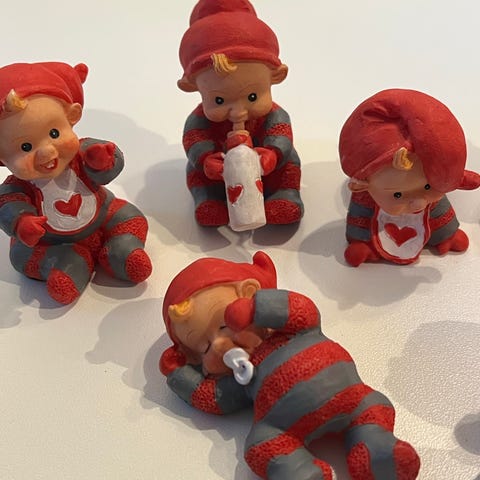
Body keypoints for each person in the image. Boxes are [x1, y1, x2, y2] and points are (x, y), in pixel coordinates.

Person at [160, 252, 420, 480]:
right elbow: (217, 398)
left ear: (250, 295)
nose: (218, 346)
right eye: (204, 348)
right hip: (283, 425)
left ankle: (376, 448)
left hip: (352, 397)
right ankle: (297, 471)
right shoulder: (243, 379)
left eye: (224, 325)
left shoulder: (295, 329)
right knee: (260, 445)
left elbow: (302, 308)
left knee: (370, 408)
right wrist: (179, 375)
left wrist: (258, 308)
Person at [0, 61, 152, 304]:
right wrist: (21, 222)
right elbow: (7, 204)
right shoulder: (16, 187)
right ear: (2, 157)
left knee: (130, 216)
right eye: (26, 147)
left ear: (72, 117)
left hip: (101, 215)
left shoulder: (83, 152)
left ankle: (122, 250)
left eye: (54, 134)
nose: (47, 152)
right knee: (21, 255)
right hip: (50, 241)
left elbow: (109, 163)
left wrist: (102, 161)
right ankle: (65, 265)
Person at [177, 0, 303, 227]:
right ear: (193, 87)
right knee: (196, 173)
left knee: (290, 161)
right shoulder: (199, 121)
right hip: (219, 171)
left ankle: (284, 194)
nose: (238, 111)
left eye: (252, 97)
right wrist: (205, 160)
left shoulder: (274, 116)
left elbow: (281, 135)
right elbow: (194, 138)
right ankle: (209, 201)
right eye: (219, 100)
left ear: (276, 76)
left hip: (268, 167)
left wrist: (273, 154)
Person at [339, 88, 480, 266]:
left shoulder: (429, 192)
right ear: (361, 185)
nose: (419, 203)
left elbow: (439, 214)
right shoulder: (365, 196)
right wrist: (361, 241)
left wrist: (447, 234)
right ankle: (369, 243)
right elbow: (360, 217)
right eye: (397, 194)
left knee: (436, 206)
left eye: (428, 186)